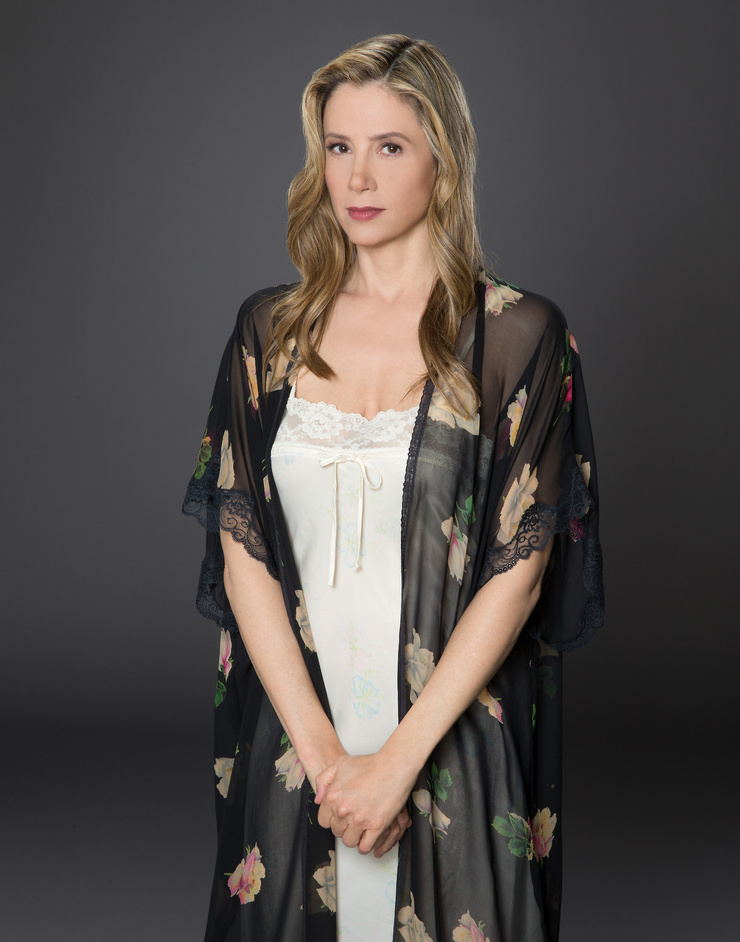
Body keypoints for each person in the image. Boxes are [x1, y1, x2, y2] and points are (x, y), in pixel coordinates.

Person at [183, 34, 603, 942]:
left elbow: (520, 570)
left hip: (448, 735)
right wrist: (327, 762)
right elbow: (241, 546)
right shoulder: (269, 332)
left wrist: (395, 766)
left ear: (442, 160)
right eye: (339, 146)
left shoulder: (516, 336)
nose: (358, 177)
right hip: (300, 738)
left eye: (390, 146)